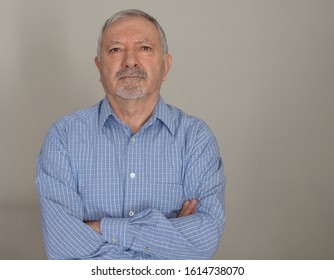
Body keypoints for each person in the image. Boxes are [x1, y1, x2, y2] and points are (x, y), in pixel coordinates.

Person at [36, 9, 226, 260]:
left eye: (145, 48)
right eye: (115, 50)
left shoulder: (196, 140)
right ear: (99, 65)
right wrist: (167, 236)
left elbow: (204, 242)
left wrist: (100, 227)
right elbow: (63, 248)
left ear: (165, 65)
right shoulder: (63, 138)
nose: (130, 61)